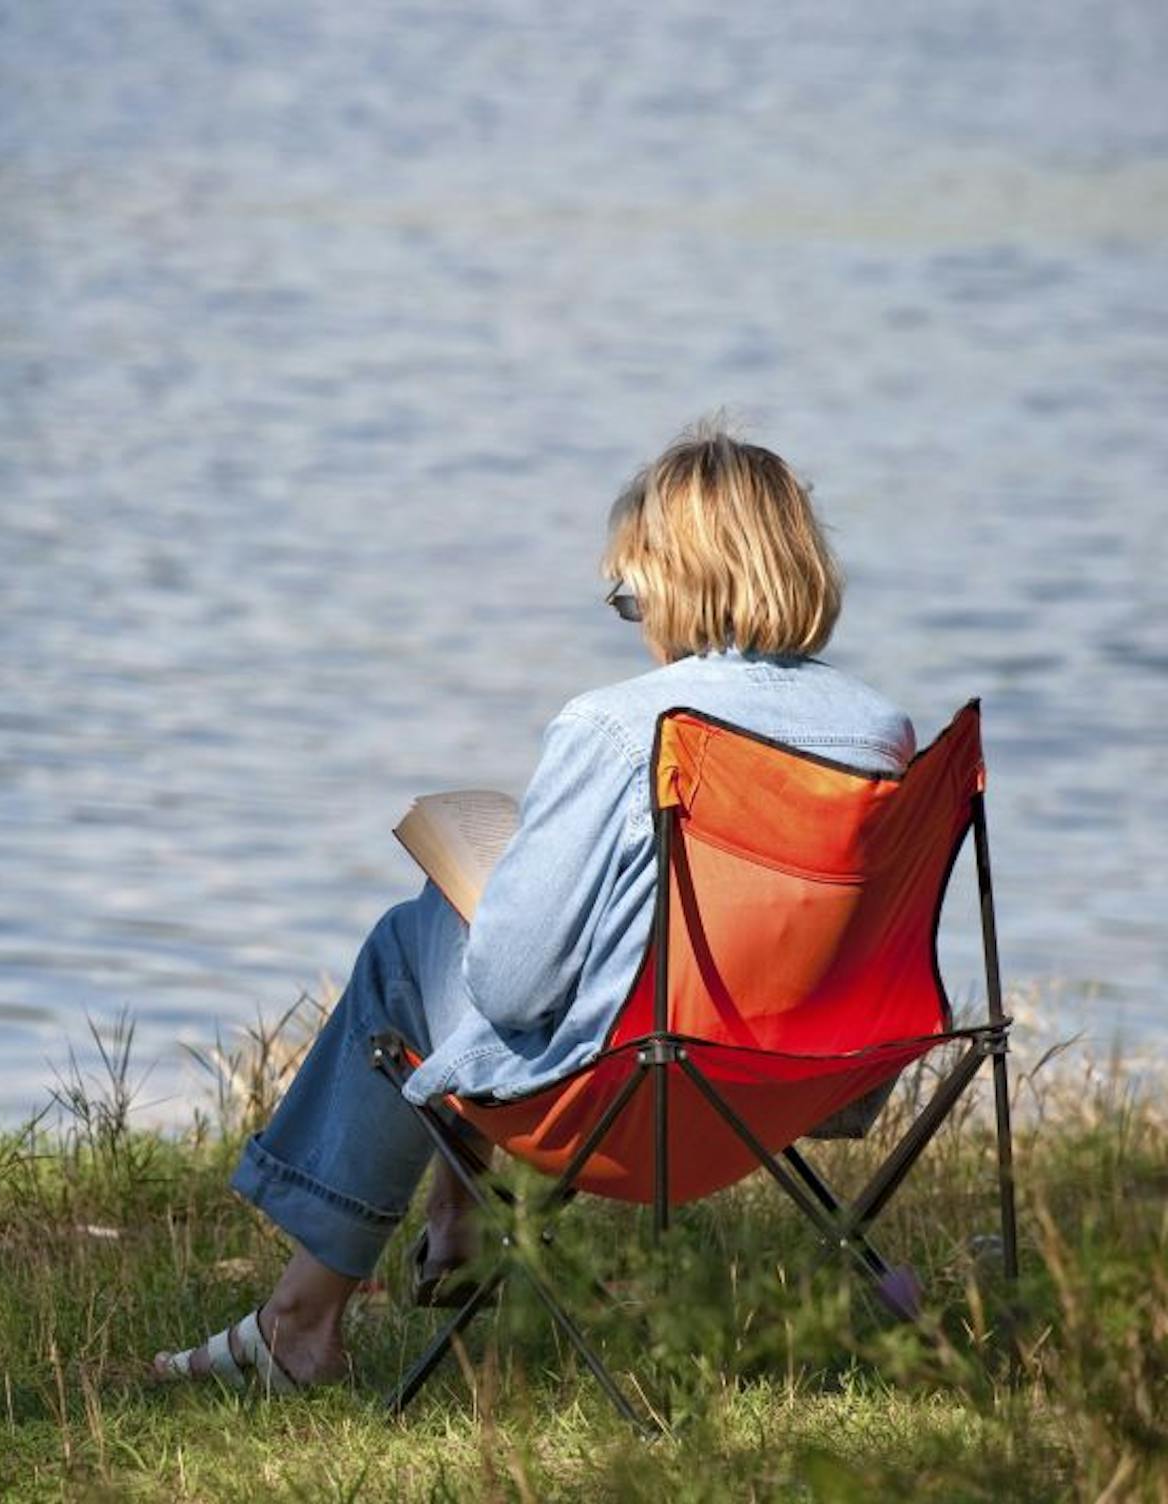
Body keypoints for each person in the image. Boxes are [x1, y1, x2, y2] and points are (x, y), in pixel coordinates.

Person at [152, 417, 917, 1391]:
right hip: (802, 1080)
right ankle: (452, 1223)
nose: (632, 611)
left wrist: (492, 899)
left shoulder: (615, 727)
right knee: (496, 931)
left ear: (673, 578)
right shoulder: (878, 733)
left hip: (634, 1096)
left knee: (419, 938)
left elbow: (514, 987)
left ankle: (304, 1318)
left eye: (627, 587)